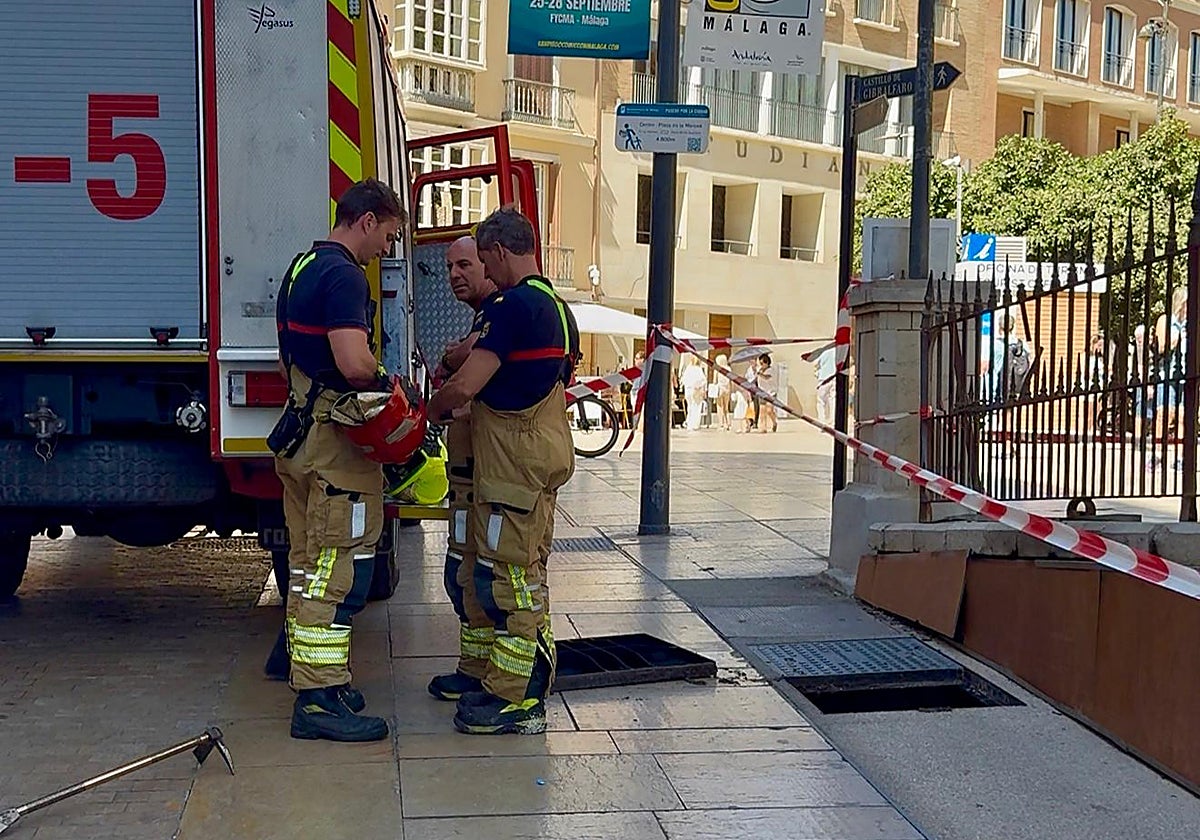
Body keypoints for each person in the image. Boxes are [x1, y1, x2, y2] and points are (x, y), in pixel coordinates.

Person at [426, 208, 580, 735]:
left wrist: (427, 411)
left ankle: (518, 698)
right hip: (524, 462)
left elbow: (467, 385)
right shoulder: (555, 307)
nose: (485, 273)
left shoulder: (515, 305)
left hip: (514, 469)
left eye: (484, 260)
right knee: (501, 574)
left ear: (498, 251)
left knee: (514, 581)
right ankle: (495, 680)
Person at [271, 178, 405, 743]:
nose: (386, 251)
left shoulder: (302, 266)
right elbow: (352, 363)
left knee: (305, 565)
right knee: (335, 569)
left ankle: (309, 675)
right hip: (333, 448)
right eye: (388, 237)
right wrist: (388, 383)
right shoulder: (345, 275)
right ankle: (320, 700)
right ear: (367, 220)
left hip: (299, 437)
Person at [426, 236, 500, 702]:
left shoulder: (502, 315)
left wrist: (436, 402)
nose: (454, 273)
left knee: (489, 579)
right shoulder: (481, 320)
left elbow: (471, 382)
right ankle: (473, 669)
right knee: (462, 573)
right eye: (449, 265)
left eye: (465, 264)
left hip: (491, 477)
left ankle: (500, 678)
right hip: (466, 479)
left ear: (490, 265)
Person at [681, 355, 708, 431]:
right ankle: (694, 424)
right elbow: (703, 381)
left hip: (688, 390)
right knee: (696, 407)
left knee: (689, 407)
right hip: (696, 390)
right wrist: (700, 387)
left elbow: (684, 380)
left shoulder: (688, 369)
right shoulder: (698, 369)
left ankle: (689, 423)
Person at [755, 353, 779, 432]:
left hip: (771, 392)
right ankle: (763, 427)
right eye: (760, 363)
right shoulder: (759, 369)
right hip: (761, 392)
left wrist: (760, 374)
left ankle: (774, 422)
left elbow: (766, 377)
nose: (761, 365)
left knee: (769, 410)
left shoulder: (771, 370)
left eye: (762, 363)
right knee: (762, 411)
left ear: (767, 363)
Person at [814, 346, 836, 424]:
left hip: (823, 378)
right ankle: (833, 421)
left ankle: (822, 422)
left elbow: (815, 364)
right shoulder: (836, 351)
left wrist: (816, 373)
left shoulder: (823, 352)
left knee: (821, 401)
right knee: (832, 400)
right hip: (833, 377)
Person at [714, 353, 733, 431]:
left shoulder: (717, 369)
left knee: (719, 407)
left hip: (719, 389)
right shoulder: (729, 369)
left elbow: (715, 381)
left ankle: (721, 424)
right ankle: (728, 423)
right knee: (726, 407)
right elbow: (730, 381)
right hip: (727, 389)